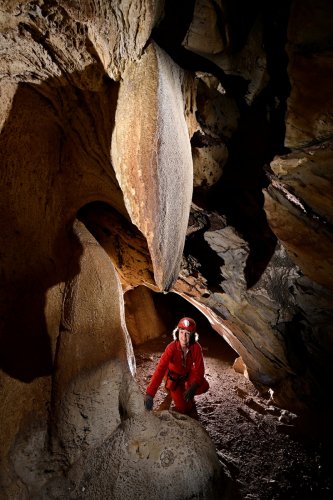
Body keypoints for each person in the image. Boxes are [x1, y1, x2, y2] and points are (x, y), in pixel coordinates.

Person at [144, 317, 209, 415]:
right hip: (174, 377)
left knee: (203, 385)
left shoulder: (196, 347)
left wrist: (193, 387)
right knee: (183, 408)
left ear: (192, 335)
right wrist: (150, 394)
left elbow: (200, 369)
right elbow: (160, 370)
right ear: (177, 332)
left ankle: (186, 390)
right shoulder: (171, 348)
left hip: (187, 374)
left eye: (187, 333)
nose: (184, 337)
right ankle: (170, 388)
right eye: (181, 332)